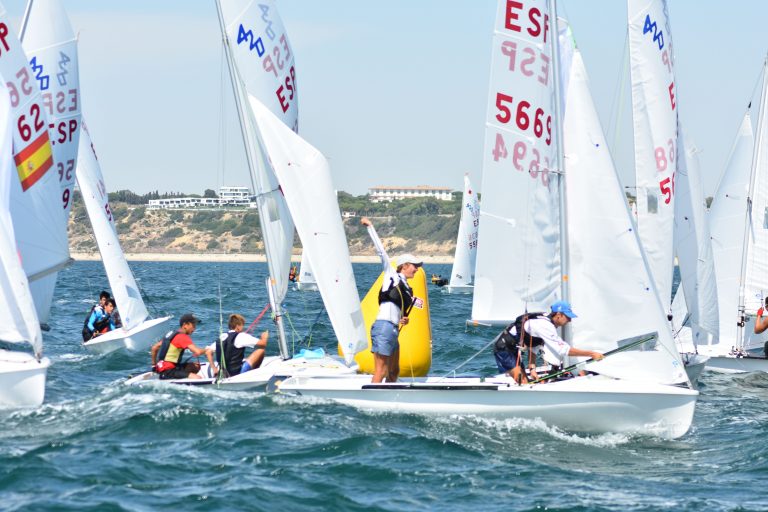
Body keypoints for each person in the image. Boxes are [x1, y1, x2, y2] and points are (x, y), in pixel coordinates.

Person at [361, 217, 422, 383]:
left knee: (394, 371)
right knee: (381, 371)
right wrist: (370, 227)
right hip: (383, 327)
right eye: (414, 265)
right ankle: (372, 403)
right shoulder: (392, 276)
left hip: (393, 330)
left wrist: (404, 319)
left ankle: (390, 402)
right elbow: (381, 251)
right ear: (404, 266)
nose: (416, 269)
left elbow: (399, 308)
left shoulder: (407, 288)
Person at [493, 300, 604, 384]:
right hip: (504, 349)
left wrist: (532, 369)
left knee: (526, 381)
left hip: (515, 349)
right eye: (567, 317)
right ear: (558, 315)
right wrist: (591, 354)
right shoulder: (545, 326)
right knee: (523, 383)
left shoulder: (548, 323)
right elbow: (562, 349)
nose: (569, 320)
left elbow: (533, 346)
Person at [151, 313, 217, 380]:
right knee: (197, 378)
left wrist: (154, 366)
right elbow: (198, 352)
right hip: (168, 370)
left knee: (195, 366)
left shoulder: (173, 334)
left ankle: (180, 376)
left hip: (162, 368)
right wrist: (208, 349)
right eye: (193, 325)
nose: (194, 329)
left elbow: (155, 348)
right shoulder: (183, 337)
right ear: (185, 325)